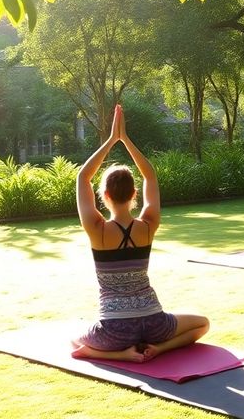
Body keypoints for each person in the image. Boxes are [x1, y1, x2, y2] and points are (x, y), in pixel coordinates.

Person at [72, 105, 209, 362]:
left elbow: (83, 178)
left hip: (115, 332)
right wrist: (127, 141)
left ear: (105, 195)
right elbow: (151, 176)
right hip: (154, 324)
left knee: (74, 339)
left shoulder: (97, 230)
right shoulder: (147, 225)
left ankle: (124, 356)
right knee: (202, 324)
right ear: (134, 194)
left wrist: (112, 140)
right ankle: (158, 349)